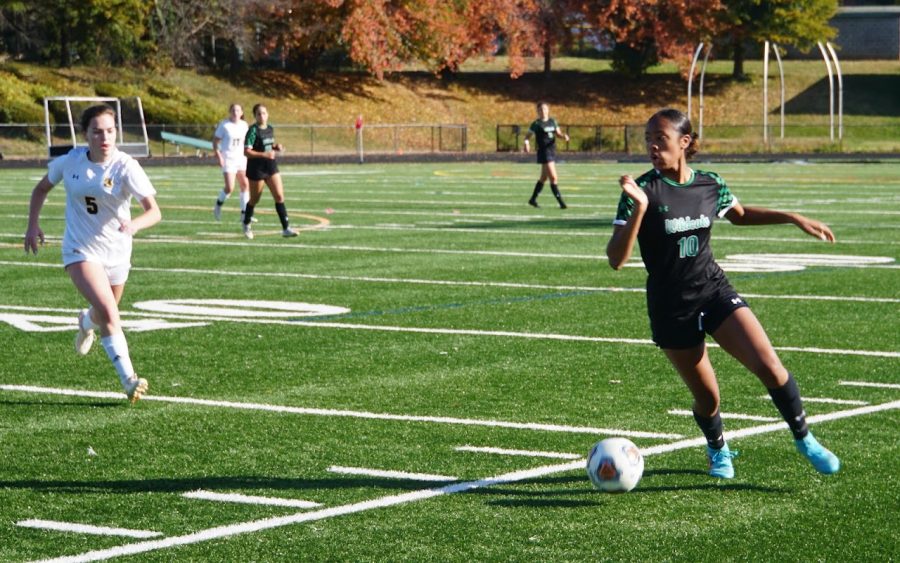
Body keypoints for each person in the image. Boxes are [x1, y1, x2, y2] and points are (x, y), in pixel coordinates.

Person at [606, 108, 840, 479]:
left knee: (770, 366)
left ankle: (805, 439)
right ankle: (717, 447)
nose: (651, 145)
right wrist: (640, 208)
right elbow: (616, 260)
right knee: (708, 398)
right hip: (671, 307)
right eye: (647, 137)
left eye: (660, 138)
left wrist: (793, 217)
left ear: (684, 143)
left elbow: (741, 215)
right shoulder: (641, 190)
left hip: (714, 291)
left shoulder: (710, 183)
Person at [24, 104, 162, 404]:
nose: (105, 137)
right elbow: (40, 190)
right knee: (111, 313)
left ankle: (85, 323)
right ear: (85, 134)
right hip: (80, 250)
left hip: (117, 251)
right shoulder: (71, 162)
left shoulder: (126, 166)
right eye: (97, 131)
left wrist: (133, 224)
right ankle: (129, 379)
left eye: (110, 131)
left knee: (102, 314)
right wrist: (32, 225)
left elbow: (154, 212)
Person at [242, 103, 298, 239]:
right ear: (255, 116)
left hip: (270, 165)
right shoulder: (252, 130)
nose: (262, 116)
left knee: (279, 196)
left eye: (264, 113)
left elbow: (267, 145)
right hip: (256, 168)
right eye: (259, 114)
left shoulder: (270, 128)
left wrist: (275, 147)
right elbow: (246, 152)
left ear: (268, 114)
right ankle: (246, 222)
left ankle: (286, 228)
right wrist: (264, 154)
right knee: (255, 199)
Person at [523, 101, 569, 209]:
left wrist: (564, 136)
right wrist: (526, 143)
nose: (543, 111)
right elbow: (527, 136)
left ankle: (533, 199)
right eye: (540, 109)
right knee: (553, 177)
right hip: (544, 152)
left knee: (543, 178)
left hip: (551, 151)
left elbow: (558, 134)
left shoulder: (552, 121)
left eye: (544, 109)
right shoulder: (536, 124)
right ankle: (561, 203)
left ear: (548, 110)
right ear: (537, 111)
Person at [212, 103, 253, 223]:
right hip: (228, 159)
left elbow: (246, 141)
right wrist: (219, 156)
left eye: (238, 110)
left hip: (241, 158)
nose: (235, 113)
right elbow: (215, 141)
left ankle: (244, 214)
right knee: (230, 187)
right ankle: (218, 206)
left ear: (242, 113)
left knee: (245, 185)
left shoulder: (244, 125)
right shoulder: (224, 125)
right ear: (230, 112)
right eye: (233, 110)